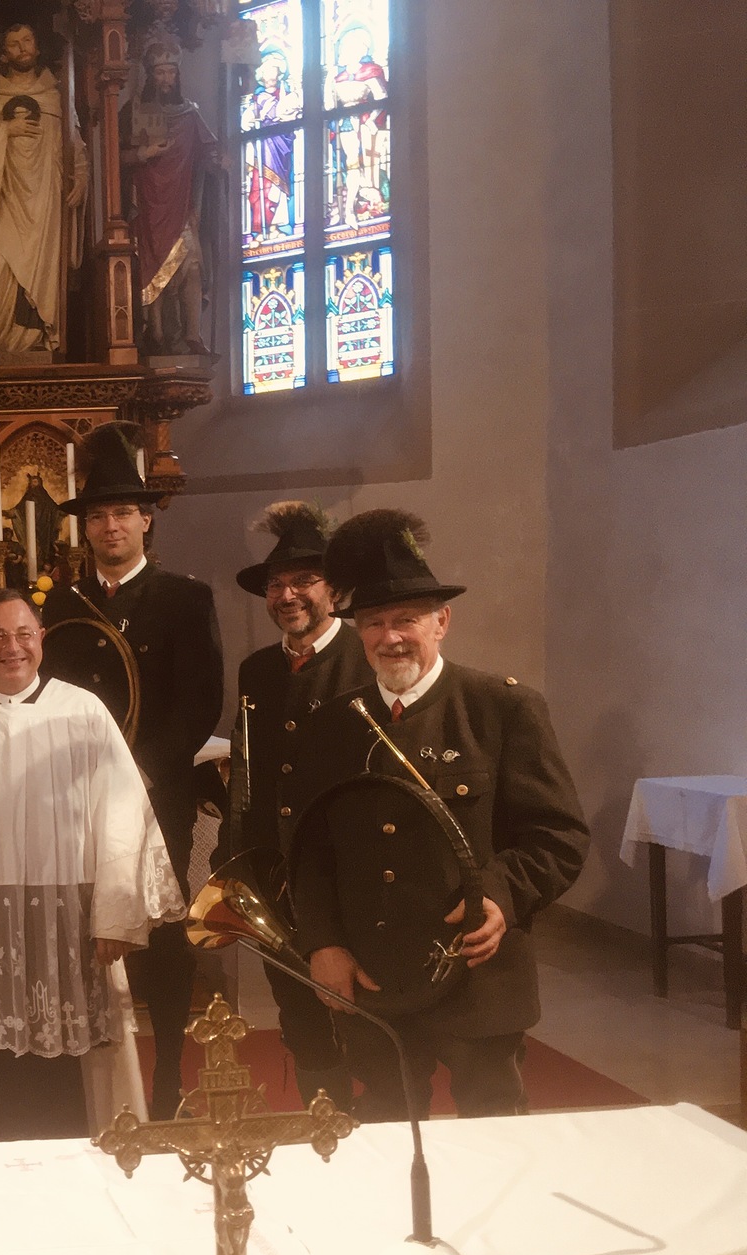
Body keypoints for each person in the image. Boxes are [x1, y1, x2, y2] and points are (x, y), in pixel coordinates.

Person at [288, 509, 589, 1120]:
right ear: (358, 631)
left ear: (442, 622)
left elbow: (558, 835)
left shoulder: (502, 709)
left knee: (494, 1137)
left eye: (407, 619)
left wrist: (502, 895)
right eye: (375, 622)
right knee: (384, 1134)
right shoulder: (331, 726)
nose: (391, 637)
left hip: (478, 974)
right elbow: (309, 851)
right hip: (373, 973)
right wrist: (323, 942)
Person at [0, 589, 181, 1144]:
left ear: (42, 639)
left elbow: (122, 815)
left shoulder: (83, 712)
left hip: (69, 918)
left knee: (75, 1069)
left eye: (24, 634)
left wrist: (116, 915)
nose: (13, 648)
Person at [41, 421, 223, 1117]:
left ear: (147, 519)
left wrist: (142, 773)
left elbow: (200, 700)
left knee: (161, 936)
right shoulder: (60, 604)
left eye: (123, 512)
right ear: (83, 528)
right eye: (97, 515)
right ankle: (83, 1078)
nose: (110, 526)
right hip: (72, 799)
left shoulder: (185, 597)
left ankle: (168, 1077)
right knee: (79, 927)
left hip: (154, 794)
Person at [220, 502, 372, 1105]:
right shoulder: (257, 669)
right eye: (276, 584)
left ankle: (375, 1135)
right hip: (276, 883)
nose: (288, 595)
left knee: (366, 1026)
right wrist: (237, 866)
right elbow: (249, 771)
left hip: (352, 883)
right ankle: (322, 1130)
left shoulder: (367, 657)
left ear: (334, 590)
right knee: (302, 1025)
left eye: (304, 580)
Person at [0, 23, 89, 359]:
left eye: (27, 40)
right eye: (14, 43)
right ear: (4, 53)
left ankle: (37, 341)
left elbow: (75, 144)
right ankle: (0, 344)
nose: (22, 48)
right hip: (1, 198)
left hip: (45, 199)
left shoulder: (55, 95)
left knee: (42, 272)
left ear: (37, 46)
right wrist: (5, 128)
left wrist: (80, 176)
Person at [125, 43, 222, 356]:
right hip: (149, 203)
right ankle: (156, 334)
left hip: (182, 204)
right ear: (150, 76)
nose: (166, 79)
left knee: (191, 266)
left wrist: (218, 161)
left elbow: (208, 151)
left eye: (171, 72)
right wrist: (146, 153)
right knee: (154, 268)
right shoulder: (135, 112)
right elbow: (116, 158)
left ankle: (192, 334)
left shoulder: (190, 115)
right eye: (160, 72)